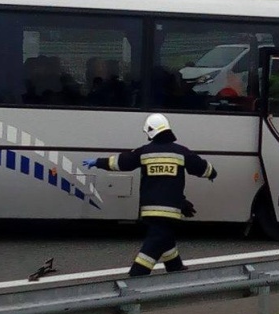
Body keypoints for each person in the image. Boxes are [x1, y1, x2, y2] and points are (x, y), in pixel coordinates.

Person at [82, 113, 217, 277]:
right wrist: (212, 173)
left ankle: (174, 265)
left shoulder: (144, 152)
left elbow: (122, 162)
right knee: (157, 238)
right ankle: (138, 273)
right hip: (171, 208)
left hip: (149, 208)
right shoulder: (181, 152)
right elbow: (201, 167)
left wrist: (98, 162)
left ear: (150, 132)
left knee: (162, 235)